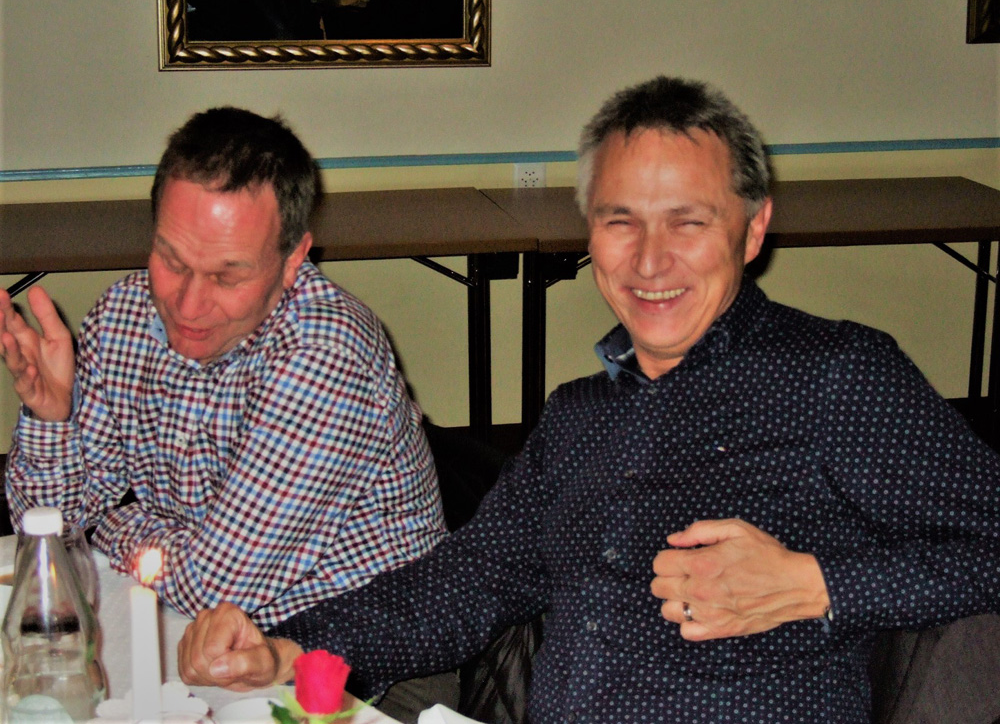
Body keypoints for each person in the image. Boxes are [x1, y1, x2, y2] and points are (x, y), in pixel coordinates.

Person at [175, 78, 1000, 723]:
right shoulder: (578, 418)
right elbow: (468, 582)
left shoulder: (832, 376)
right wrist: (288, 648)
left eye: (688, 222)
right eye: (619, 221)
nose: (649, 260)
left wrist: (815, 585)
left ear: (752, 229)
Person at [0, 107, 447, 631]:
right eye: (172, 261)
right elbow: (49, 532)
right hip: (201, 627)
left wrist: (109, 526)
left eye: (227, 276)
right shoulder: (123, 316)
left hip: (357, 649)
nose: (187, 306)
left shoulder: (326, 355)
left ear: (293, 259)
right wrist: (52, 419)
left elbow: (213, 589)